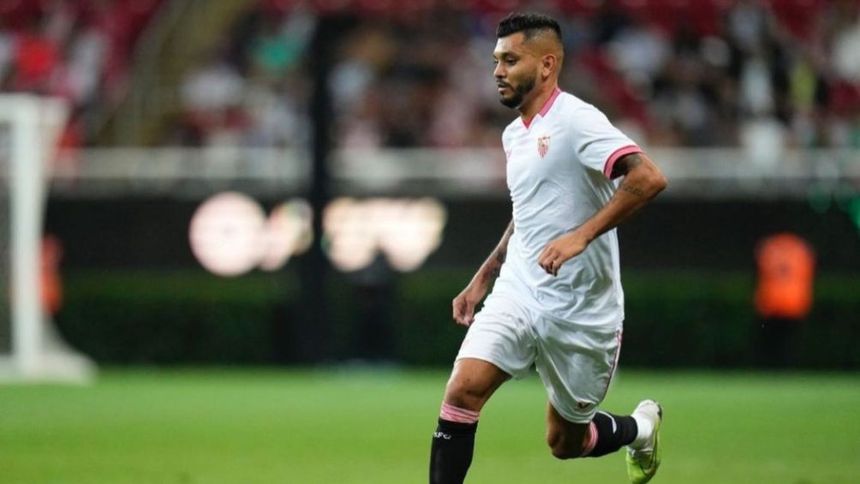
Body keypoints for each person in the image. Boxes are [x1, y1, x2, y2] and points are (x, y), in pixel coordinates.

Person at [428, 13, 668, 484]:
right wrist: (485, 274)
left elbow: (648, 178)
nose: (497, 71)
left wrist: (582, 234)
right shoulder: (513, 134)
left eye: (510, 60)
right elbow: (528, 212)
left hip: (582, 309)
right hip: (520, 291)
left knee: (565, 442)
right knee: (462, 392)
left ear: (546, 65)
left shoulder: (577, 120)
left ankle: (641, 429)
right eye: (496, 61)